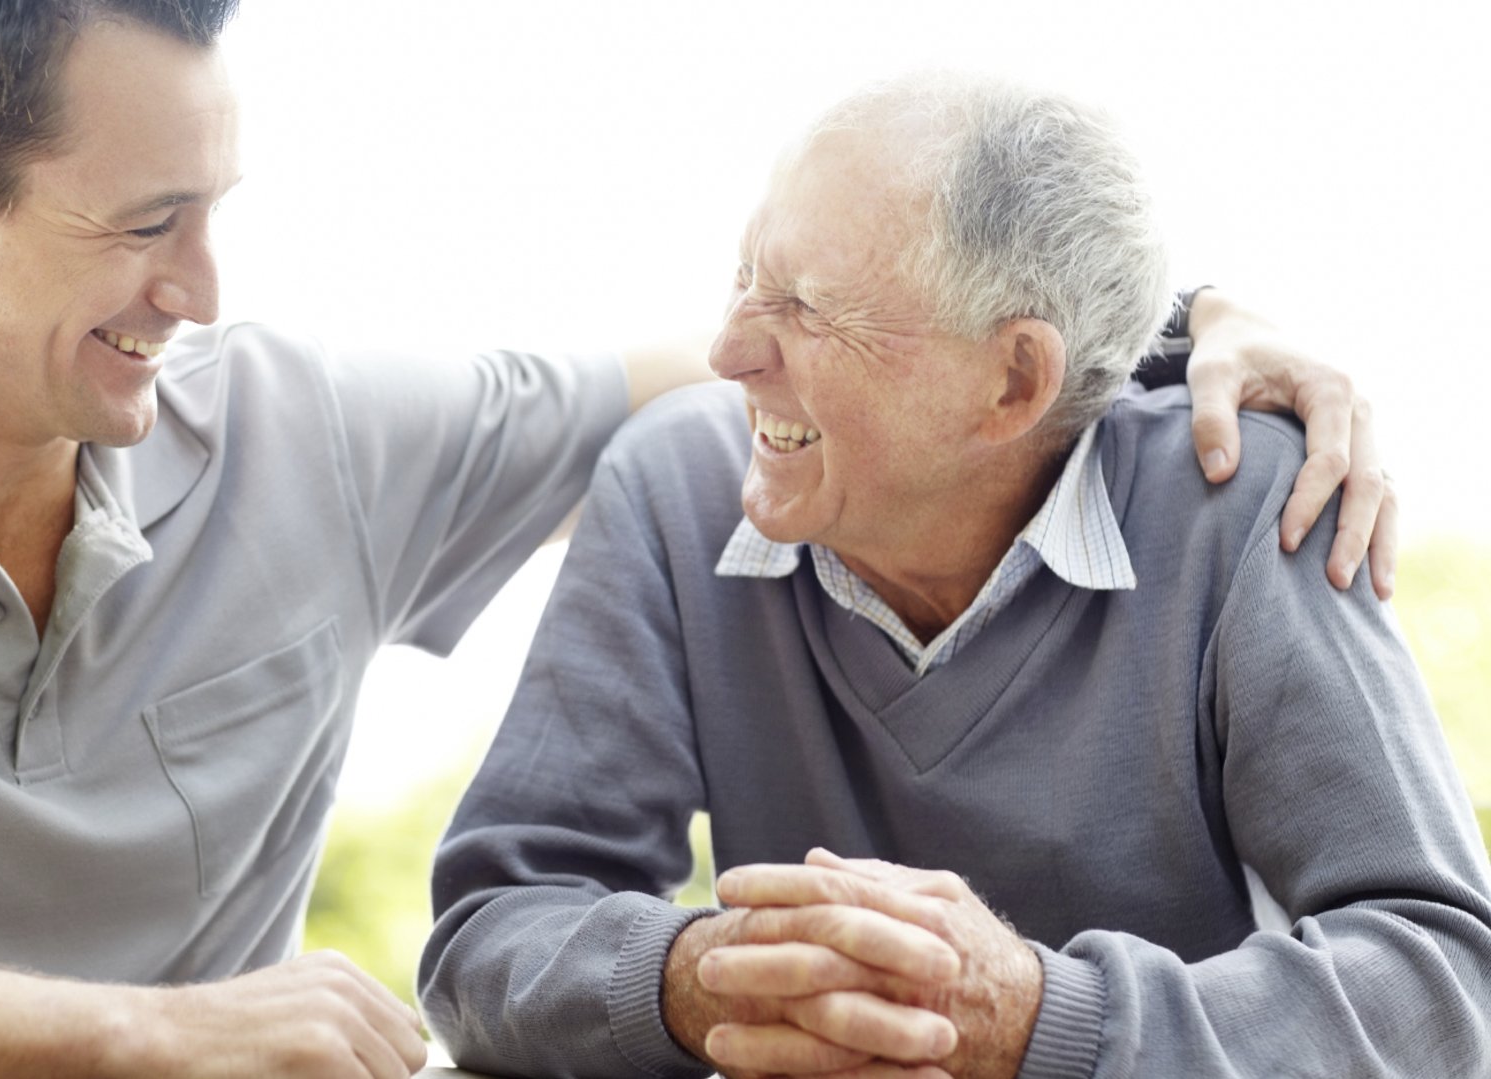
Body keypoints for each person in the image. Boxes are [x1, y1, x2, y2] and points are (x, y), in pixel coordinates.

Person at [0, 2, 1385, 1076]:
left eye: (218, 210)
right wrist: (135, 1033)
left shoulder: (314, 433)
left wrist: (1187, 325)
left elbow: (811, 372)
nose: (205, 288)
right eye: (145, 224)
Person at [420, 72, 1489, 1079]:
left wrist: (1040, 1017)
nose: (729, 349)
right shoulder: (675, 485)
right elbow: (488, 934)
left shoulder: (1244, 504)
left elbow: (1442, 983)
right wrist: (718, 973)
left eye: (807, 305)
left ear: (1015, 380)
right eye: (745, 276)